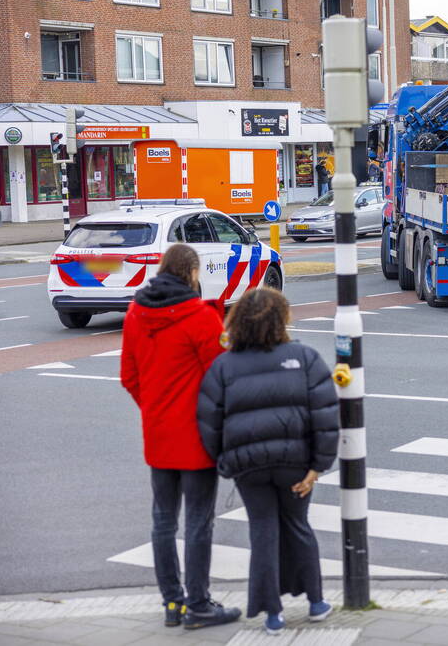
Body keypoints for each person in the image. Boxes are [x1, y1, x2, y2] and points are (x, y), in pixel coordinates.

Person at [198, 288, 339, 636]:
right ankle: (316, 602)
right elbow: (325, 416)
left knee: (262, 531)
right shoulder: (304, 358)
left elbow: (209, 421)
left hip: (249, 467)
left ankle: (272, 612)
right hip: (295, 463)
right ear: (282, 319)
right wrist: (316, 468)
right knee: (298, 526)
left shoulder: (224, 365)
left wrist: (226, 463)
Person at [120, 244, 241, 631]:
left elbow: (129, 376)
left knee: (162, 522)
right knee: (199, 524)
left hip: (159, 435)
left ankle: (173, 603)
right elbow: (221, 378)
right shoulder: (199, 318)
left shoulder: (136, 314)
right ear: (191, 273)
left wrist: (154, 408)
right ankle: (200, 604)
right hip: (197, 437)